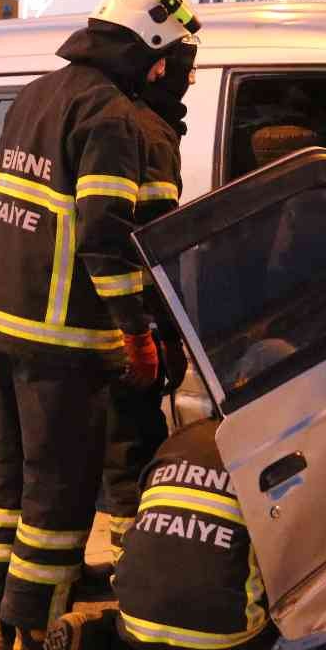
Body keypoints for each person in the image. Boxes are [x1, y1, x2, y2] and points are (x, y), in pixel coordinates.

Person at [0, 0, 203, 650]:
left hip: (3, 323)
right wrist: (135, 330)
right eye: (174, 61)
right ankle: (38, 634)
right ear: (152, 50)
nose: (177, 76)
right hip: (62, 339)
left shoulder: (38, 97)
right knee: (60, 490)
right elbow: (106, 234)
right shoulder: (110, 117)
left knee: (7, 478)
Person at [34, 419, 293, 650]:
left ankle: (91, 638)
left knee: (144, 631)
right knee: (276, 584)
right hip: (220, 628)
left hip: (138, 615)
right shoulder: (271, 452)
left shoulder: (182, 439)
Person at [97, 37, 198, 567]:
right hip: (132, 316)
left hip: (122, 312)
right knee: (133, 444)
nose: (191, 82)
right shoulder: (150, 133)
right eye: (186, 73)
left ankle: (126, 555)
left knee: (124, 443)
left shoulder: (140, 122)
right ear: (160, 72)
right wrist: (159, 332)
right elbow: (152, 243)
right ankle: (130, 561)